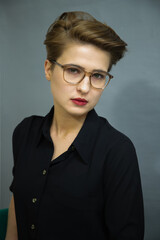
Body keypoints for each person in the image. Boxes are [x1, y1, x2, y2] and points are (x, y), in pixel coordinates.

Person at [5, 11, 144, 240]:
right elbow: (17, 205)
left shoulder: (118, 151)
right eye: (73, 70)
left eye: (98, 75)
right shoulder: (24, 132)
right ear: (49, 69)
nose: (84, 87)